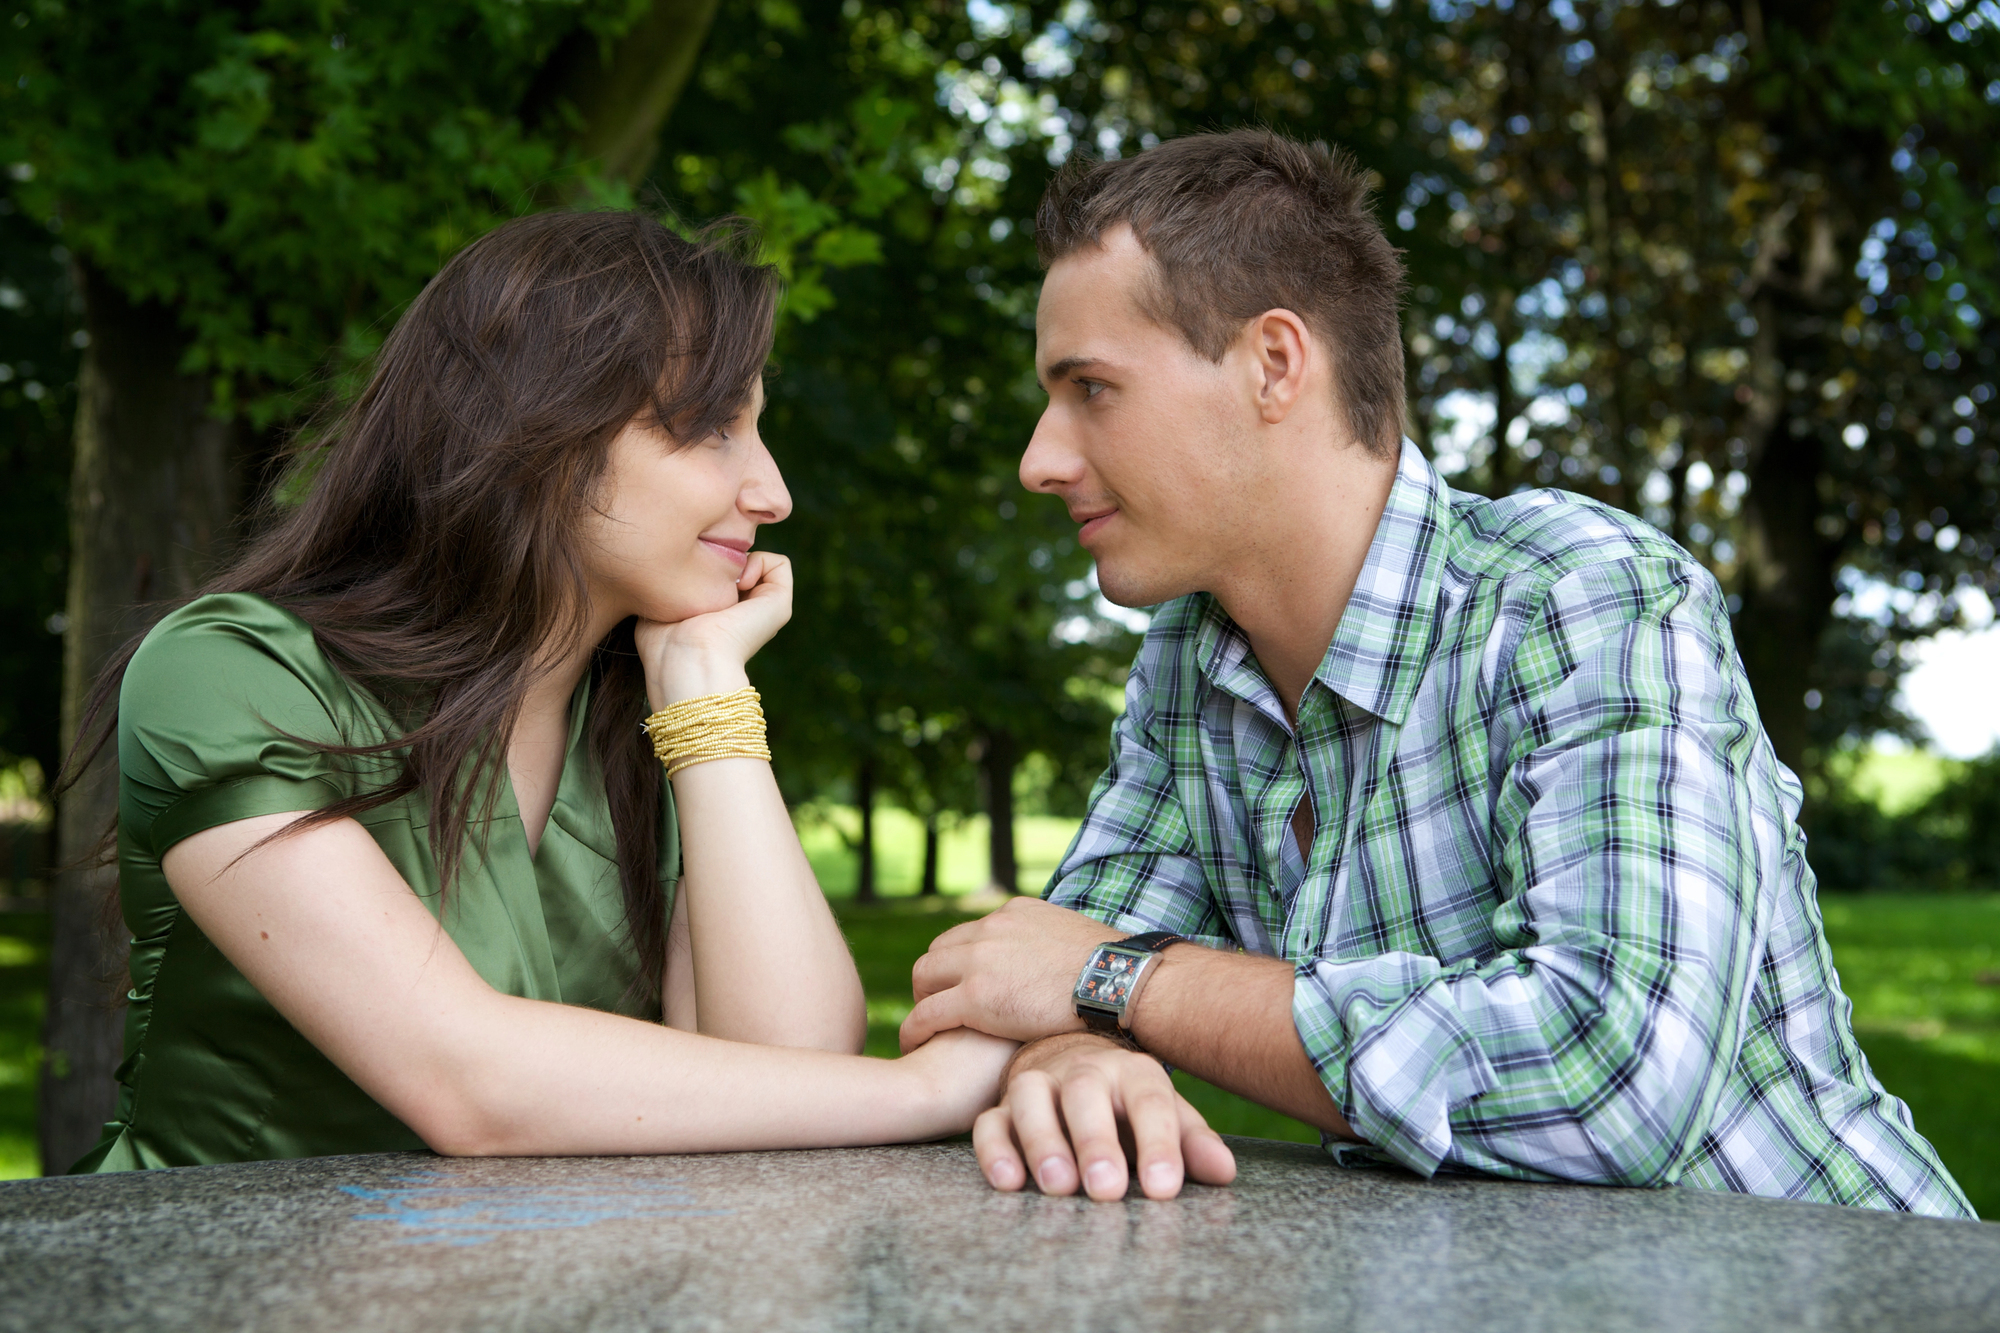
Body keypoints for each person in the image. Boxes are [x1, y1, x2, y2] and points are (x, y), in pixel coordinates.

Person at [900, 129, 1977, 1220]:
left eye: (1090, 388)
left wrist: (1128, 988)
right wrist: (1082, 1061)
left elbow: (1612, 1079)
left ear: (1274, 363)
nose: (1040, 457)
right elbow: (1037, 971)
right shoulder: (1192, 658)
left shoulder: (1578, 596)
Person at [64, 210, 1023, 1172]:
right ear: (539, 429)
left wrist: (705, 686)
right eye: (713, 428)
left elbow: (788, 1077)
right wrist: (926, 1089)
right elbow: (465, 1081)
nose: (772, 492)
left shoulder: (652, 726)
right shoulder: (233, 672)